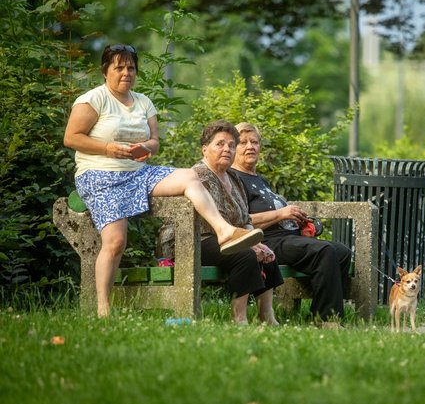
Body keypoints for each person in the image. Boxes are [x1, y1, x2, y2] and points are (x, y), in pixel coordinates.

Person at [63, 44, 263, 317]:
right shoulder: (93, 100)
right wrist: (109, 148)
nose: (126, 73)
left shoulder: (143, 102)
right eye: (119, 67)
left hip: (137, 173)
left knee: (190, 176)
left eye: (131, 68)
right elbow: (71, 138)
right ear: (105, 71)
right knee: (115, 242)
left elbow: (155, 142)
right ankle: (102, 309)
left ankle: (223, 230)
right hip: (99, 175)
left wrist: (145, 148)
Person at [159, 120, 282, 325]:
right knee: (245, 255)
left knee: (267, 253)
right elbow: (216, 221)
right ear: (205, 149)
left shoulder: (233, 177)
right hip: (190, 240)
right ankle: (239, 319)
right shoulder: (198, 174)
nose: (227, 149)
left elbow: (244, 219)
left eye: (232, 145)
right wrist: (250, 245)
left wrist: (256, 241)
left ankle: (267, 317)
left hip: (222, 238)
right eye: (220, 144)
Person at [231, 122, 352, 326]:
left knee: (341, 252)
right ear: (234, 148)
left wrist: (299, 222)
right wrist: (280, 214)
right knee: (323, 251)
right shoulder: (233, 178)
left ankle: (318, 313)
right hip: (266, 240)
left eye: (254, 142)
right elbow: (240, 220)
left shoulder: (260, 179)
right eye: (243, 142)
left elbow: (279, 214)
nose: (250, 146)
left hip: (289, 237)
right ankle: (327, 320)